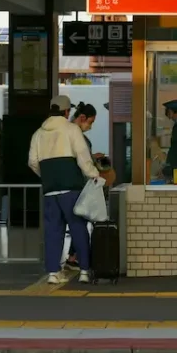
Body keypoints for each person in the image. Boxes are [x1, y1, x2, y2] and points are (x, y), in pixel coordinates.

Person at [27, 94, 100, 285]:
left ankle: (53, 273)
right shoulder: (71, 129)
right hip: (71, 188)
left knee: (53, 231)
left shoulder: (38, 134)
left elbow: (33, 162)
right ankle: (84, 271)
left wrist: (48, 176)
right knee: (78, 228)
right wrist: (94, 175)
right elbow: (83, 156)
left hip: (50, 190)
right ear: (67, 111)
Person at [64, 101, 114, 270]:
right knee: (80, 220)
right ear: (82, 117)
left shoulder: (72, 133)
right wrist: (93, 167)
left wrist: (92, 157)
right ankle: (75, 257)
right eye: (90, 122)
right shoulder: (74, 134)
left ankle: (74, 256)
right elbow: (79, 159)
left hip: (77, 182)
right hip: (78, 183)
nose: (90, 126)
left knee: (80, 220)